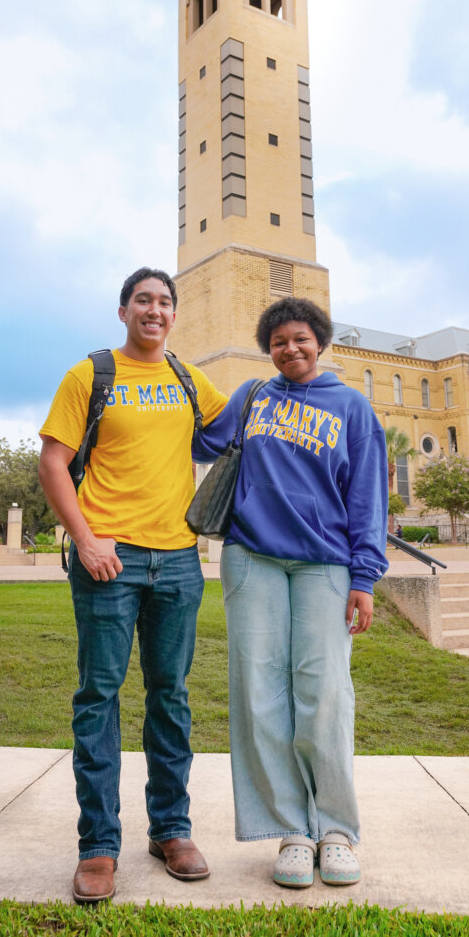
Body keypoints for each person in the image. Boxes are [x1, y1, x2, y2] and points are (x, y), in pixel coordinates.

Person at [38, 267, 227, 904]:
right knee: (99, 696)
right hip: (108, 561)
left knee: (170, 698)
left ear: (174, 315)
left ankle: (171, 830)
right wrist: (86, 539)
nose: (155, 310)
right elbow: (53, 462)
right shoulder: (90, 375)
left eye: (165, 302)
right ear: (124, 311)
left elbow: (243, 431)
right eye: (143, 300)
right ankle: (98, 846)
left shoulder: (186, 378)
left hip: (177, 561)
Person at [192, 297, 388, 889]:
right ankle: (292, 833)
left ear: (319, 342)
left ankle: (335, 829)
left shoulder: (352, 407)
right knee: (259, 694)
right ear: (268, 349)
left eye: (300, 338)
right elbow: (198, 442)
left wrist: (364, 577)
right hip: (251, 558)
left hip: (324, 566)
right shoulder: (254, 396)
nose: (290, 349)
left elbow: (367, 497)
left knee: (324, 692)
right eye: (278, 341)